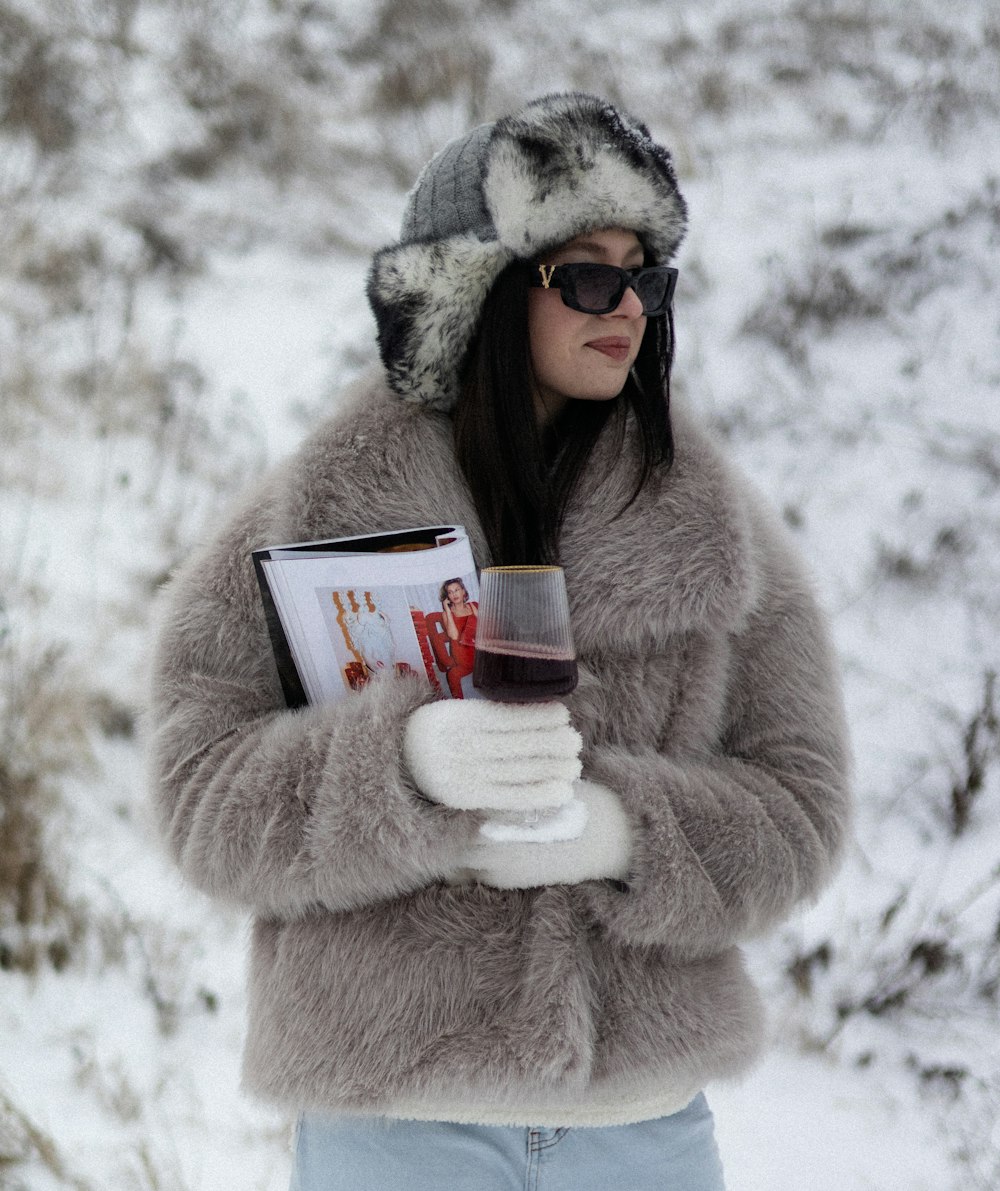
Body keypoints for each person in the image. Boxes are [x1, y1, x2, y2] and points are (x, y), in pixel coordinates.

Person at [148, 92, 852, 1191]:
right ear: (478, 287)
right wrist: (402, 770)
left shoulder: (714, 524)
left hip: (641, 1131)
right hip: (394, 1126)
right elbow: (200, 798)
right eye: (585, 273)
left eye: (645, 276)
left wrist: (626, 830)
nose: (624, 305)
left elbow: (800, 809)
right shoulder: (319, 508)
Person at [439, 578, 478, 698]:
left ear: (463, 591)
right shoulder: (446, 614)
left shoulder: (474, 606)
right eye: (450, 592)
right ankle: (459, 705)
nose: (454, 594)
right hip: (463, 655)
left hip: (478, 651)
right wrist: (447, 610)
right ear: (447, 597)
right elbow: (454, 636)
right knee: (453, 674)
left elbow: (485, 627)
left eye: (456, 590)